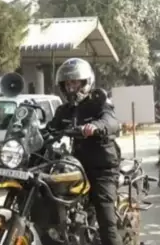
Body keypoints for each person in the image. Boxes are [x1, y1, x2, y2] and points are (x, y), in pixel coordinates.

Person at [44, 58, 122, 245]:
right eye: (67, 84)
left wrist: (95, 126)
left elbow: (111, 122)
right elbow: (49, 130)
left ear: (86, 83)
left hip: (102, 167)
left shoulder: (99, 103)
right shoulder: (64, 110)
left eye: (75, 83)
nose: (71, 87)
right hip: (75, 165)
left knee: (106, 219)